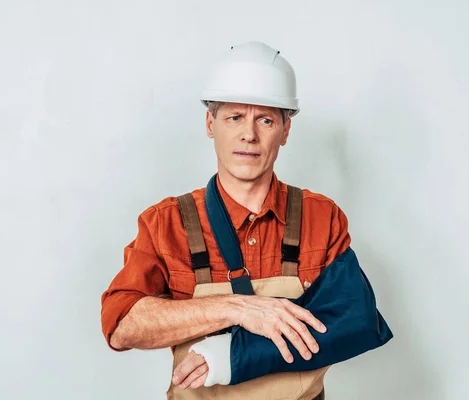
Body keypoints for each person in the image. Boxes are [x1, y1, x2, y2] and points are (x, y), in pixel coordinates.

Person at [100, 41, 392, 400]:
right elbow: (122, 326)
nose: (248, 135)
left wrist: (232, 359)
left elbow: (353, 321)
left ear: (285, 130)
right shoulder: (166, 223)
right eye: (234, 117)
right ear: (211, 123)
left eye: (265, 120)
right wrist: (237, 309)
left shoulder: (322, 217)